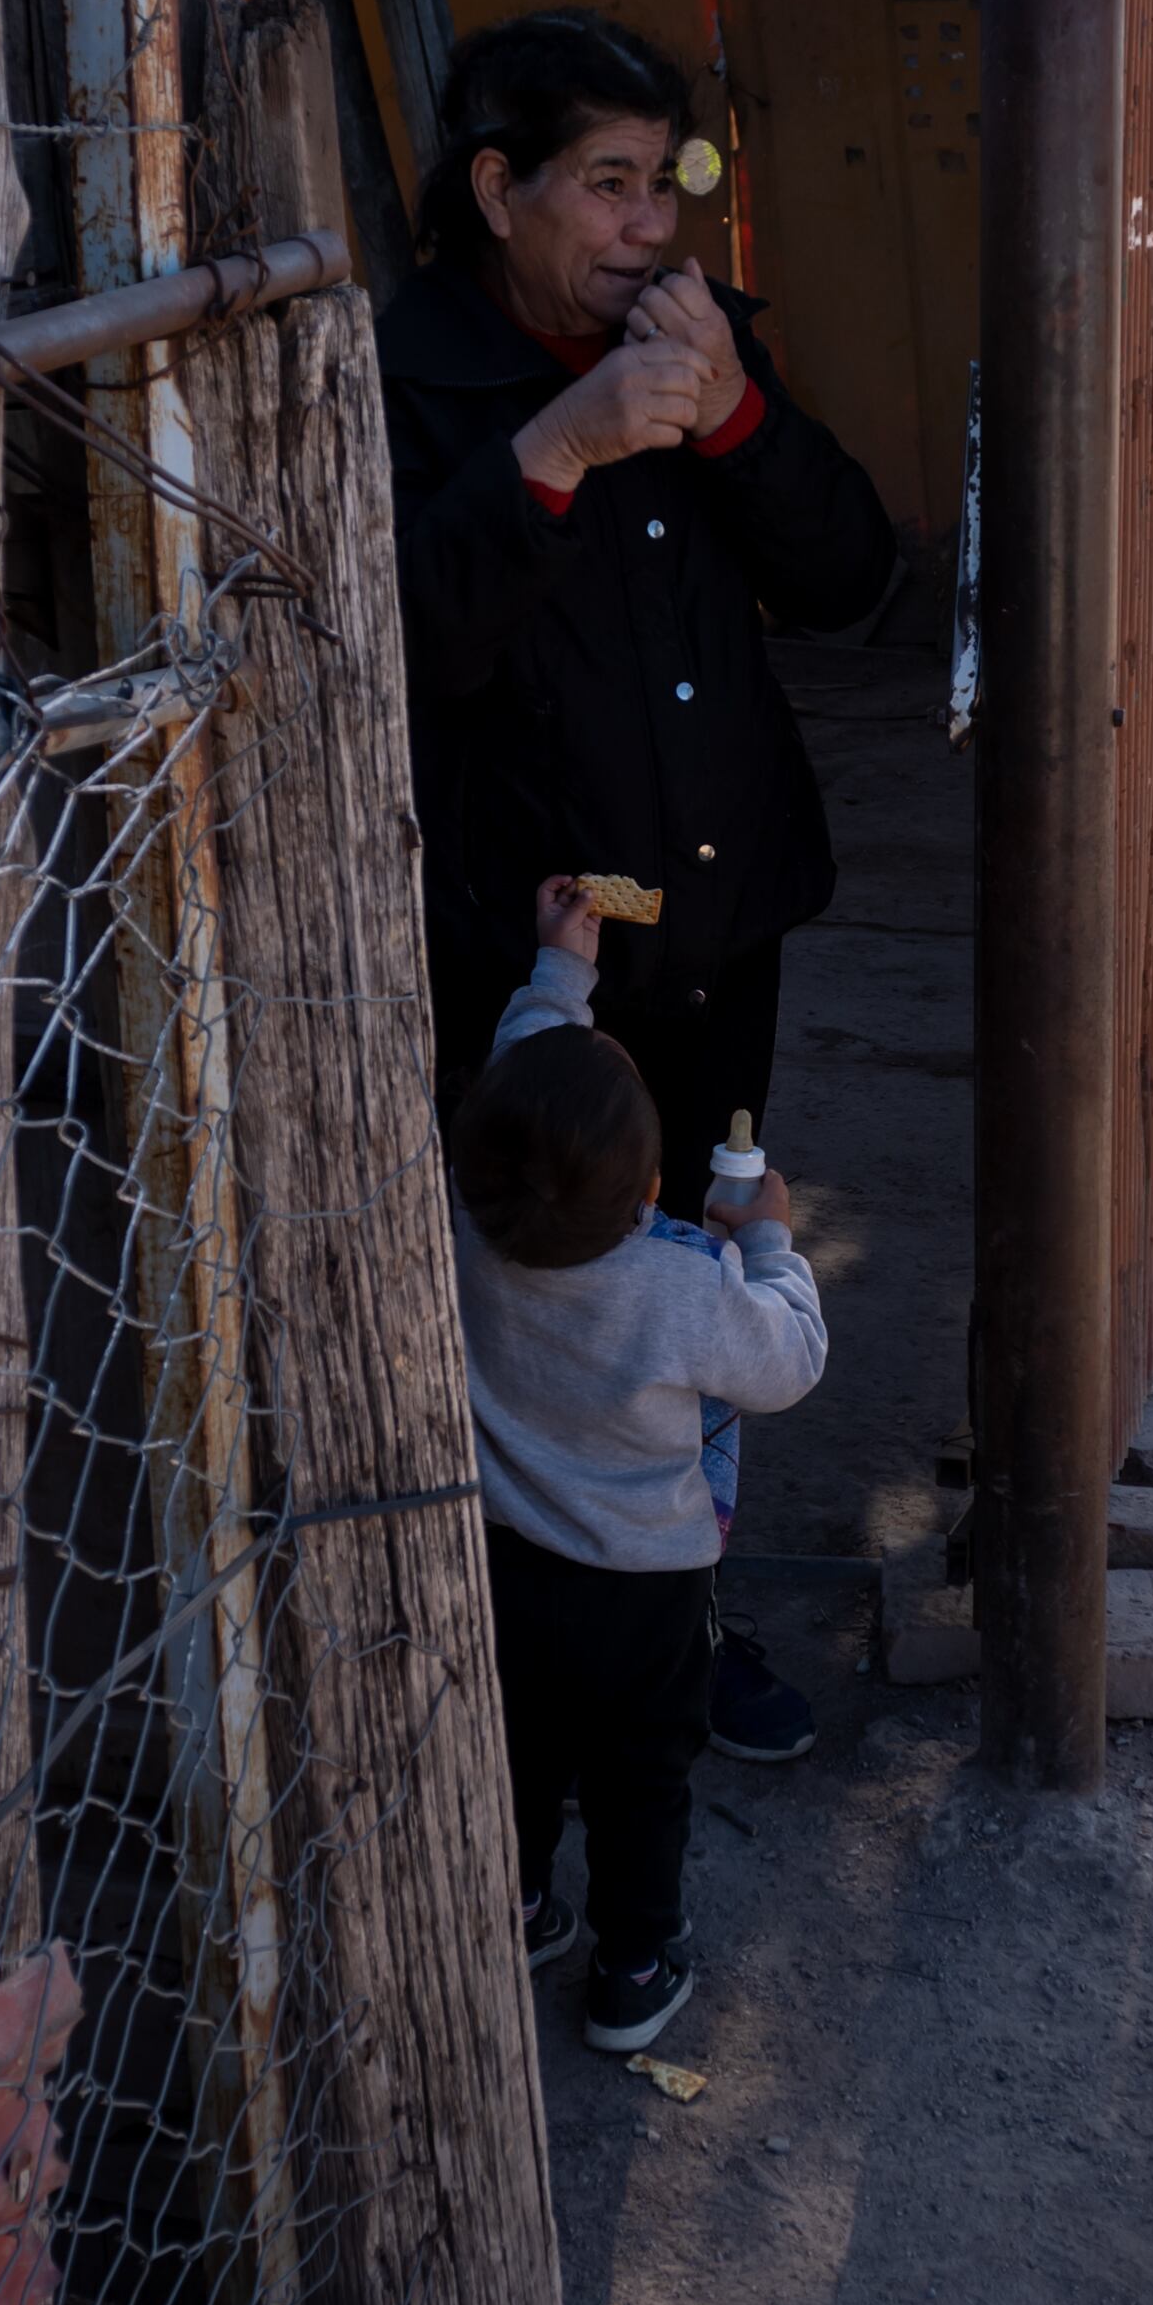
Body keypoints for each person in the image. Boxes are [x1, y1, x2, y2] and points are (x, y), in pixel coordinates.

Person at [382, 8, 901, 1769]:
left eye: (660, 187)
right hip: (527, 965)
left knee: (694, 1277)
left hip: (717, 920)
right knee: (539, 1296)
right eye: (604, 188)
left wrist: (738, 416)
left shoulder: (699, 345)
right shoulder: (402, 373)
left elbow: (852, 580)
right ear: (496, 189)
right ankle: (521, 1644)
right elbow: (397, 652)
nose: (646, 230)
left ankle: (686, 1609)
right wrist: (559, 448)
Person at [450, 876, 831, 2058]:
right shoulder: (681, 1286)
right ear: (655, 1191)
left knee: (515, 1747)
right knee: (639, 1776)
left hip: (506, 1563)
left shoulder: (468, 1229)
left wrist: (560, 970)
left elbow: (526, 1075)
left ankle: (514, 1909)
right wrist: (765, 1233)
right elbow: (789, 1359)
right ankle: (631, 1965)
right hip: (644, 1593)